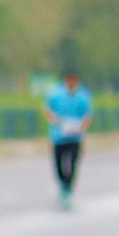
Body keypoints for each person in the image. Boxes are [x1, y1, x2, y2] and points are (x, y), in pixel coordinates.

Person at [44, 72, 93, 209]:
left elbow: (88, 116)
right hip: (58, 136)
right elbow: (48, 111)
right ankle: (63, 186)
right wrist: (56, 121)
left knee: (72, 164)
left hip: (75, 137)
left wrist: (81, 127)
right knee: (58, 165)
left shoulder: (83, 96)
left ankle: (68, 190)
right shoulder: (55, 94)